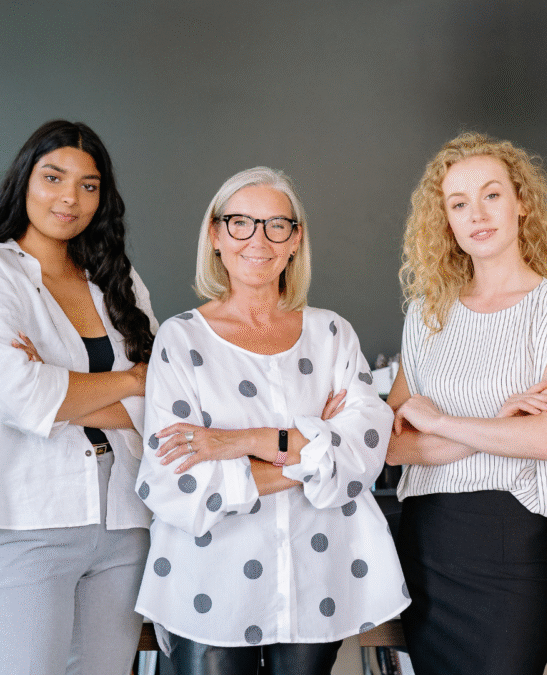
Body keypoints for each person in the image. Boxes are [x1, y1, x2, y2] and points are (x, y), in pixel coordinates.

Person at [133, 167, 408, 675]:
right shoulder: (181, 338)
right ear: (215, 235)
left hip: (316, 577)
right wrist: (313, 447)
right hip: (210, 582)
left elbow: (367, 448)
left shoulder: (332, 334)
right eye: (240, 223)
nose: (258, 239)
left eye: (276, 225)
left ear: (294, 240)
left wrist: (237, 442)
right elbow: (176, 479)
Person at [0, 120, 156, 675]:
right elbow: (16, 392)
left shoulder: (116, 277)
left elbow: (169, 399)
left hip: (125, 521)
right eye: (53, 177)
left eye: (89, 184)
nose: (70, 197)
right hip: (29, 517)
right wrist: (130, 382)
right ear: (24, 182)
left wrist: (60, 387)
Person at [386, 132, 547, 675]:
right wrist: (493, 426)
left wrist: (439, 422)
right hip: (427, 541)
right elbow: (390, 446)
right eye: (458, 204)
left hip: (508, 541)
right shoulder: (426, 314)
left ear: (522, 202)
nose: (476, 213)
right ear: (446, 223)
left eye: (492, 195)